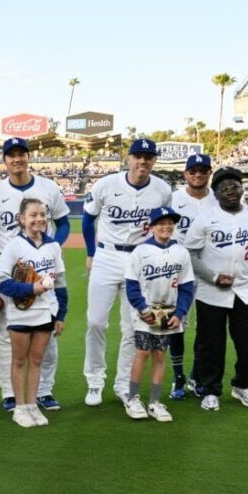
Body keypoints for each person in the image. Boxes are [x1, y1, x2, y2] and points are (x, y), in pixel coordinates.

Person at [0, 137, 71, 413]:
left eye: (21, 154)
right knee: (8, 334)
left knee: (47, 330)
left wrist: (54, 246)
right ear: (4, 160)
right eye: (11, 155)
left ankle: (43, 391)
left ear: (28, 157)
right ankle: (10, 394)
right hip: (12, 272)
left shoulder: (48, 187)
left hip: (44, 269)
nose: (17, 159)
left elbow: (64, 224)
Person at [82, 138, 171, 408]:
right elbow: (88, 218)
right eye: (138, 156)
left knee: (133, 327)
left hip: (140, 258)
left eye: (148, 156)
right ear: (128, 158)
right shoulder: (106, 184)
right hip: (107, 255)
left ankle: (123, 384)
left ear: (154, 160)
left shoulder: (163, 190)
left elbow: (164, 226)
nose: (143, 161)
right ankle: (95, 381)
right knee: (96, 322)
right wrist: (90, 252)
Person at [182, 167, 248, 412]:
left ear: (242, 189)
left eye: (234, 186)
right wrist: (213, 276)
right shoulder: (204, 219)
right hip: (211, 292)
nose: (230, 192)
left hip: (247, 291)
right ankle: (210, 389)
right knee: (210, 346)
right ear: (215, 193)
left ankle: (243, 386)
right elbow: (190, 253)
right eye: (223, 188)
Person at [0, 199, 67, 428]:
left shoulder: (53, 246)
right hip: (20, 311)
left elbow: (61, 283)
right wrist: (31, 289)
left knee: (36, 360)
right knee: (19, 360)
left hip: (46, 311)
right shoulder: (14, 246)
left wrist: (61, 315)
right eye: (33, 215)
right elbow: (2, 283)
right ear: (22, 219)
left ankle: (33, 405)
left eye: (43, 215)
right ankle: (20, 406)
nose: (39, 219)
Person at [123, 208, 195, 422]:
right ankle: (133, 399)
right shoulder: (140, 251)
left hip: (168, 314)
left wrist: (180, 313)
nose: (166, 227)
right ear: (152, 227)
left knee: (160, 355)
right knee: (143, 353)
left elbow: (187, 286)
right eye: (161, 223)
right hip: (144, 313)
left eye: (170, 223)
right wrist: (143, 310)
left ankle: (155, 402)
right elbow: (131, 285)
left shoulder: (181, 252)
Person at [168, 153, 214, 400]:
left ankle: (197, 374)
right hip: (179, 269)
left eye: (203, 170)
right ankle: (178, 377)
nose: (198, 175)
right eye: (193, 171)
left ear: (209, 173)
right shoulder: (173, 199)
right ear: (185, 174)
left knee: (207, 327)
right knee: (177, 324)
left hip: (209, 270)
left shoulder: (218, 200)